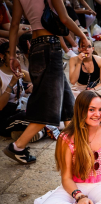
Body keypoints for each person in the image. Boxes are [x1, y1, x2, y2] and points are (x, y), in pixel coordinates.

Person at [3, 0, 88, 164]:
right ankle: (17, 146)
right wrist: (83, 36)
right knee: (48, 107)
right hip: (49, 47)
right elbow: (64, 18)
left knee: (68, 103)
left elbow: (14, 26)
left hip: (36, 47)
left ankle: (75, 148)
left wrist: (13, 56)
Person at [0, 42, 41, 141]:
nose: (17, 55)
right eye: (13, 53)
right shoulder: (1, 76)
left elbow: (41, 78)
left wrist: (34, 85)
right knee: (35, 118)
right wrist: (11, 84)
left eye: (18, 52)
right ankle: (38, 133)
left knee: (41, 110)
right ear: (1, 55)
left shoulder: (19, 72)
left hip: (16, 114)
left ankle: (23, 134)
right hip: (3, 120)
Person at [69, 38, 101, 104]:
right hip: (80, 89)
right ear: (79, 49)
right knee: (69, 93)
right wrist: (79, 63)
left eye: (89, 46)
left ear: (92, 49)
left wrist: (92, 90)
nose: (86, 49)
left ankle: (84, 103)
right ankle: (92, 102)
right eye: (83, 46)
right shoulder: (73, 60)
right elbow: (73, 81)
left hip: (95, 88)